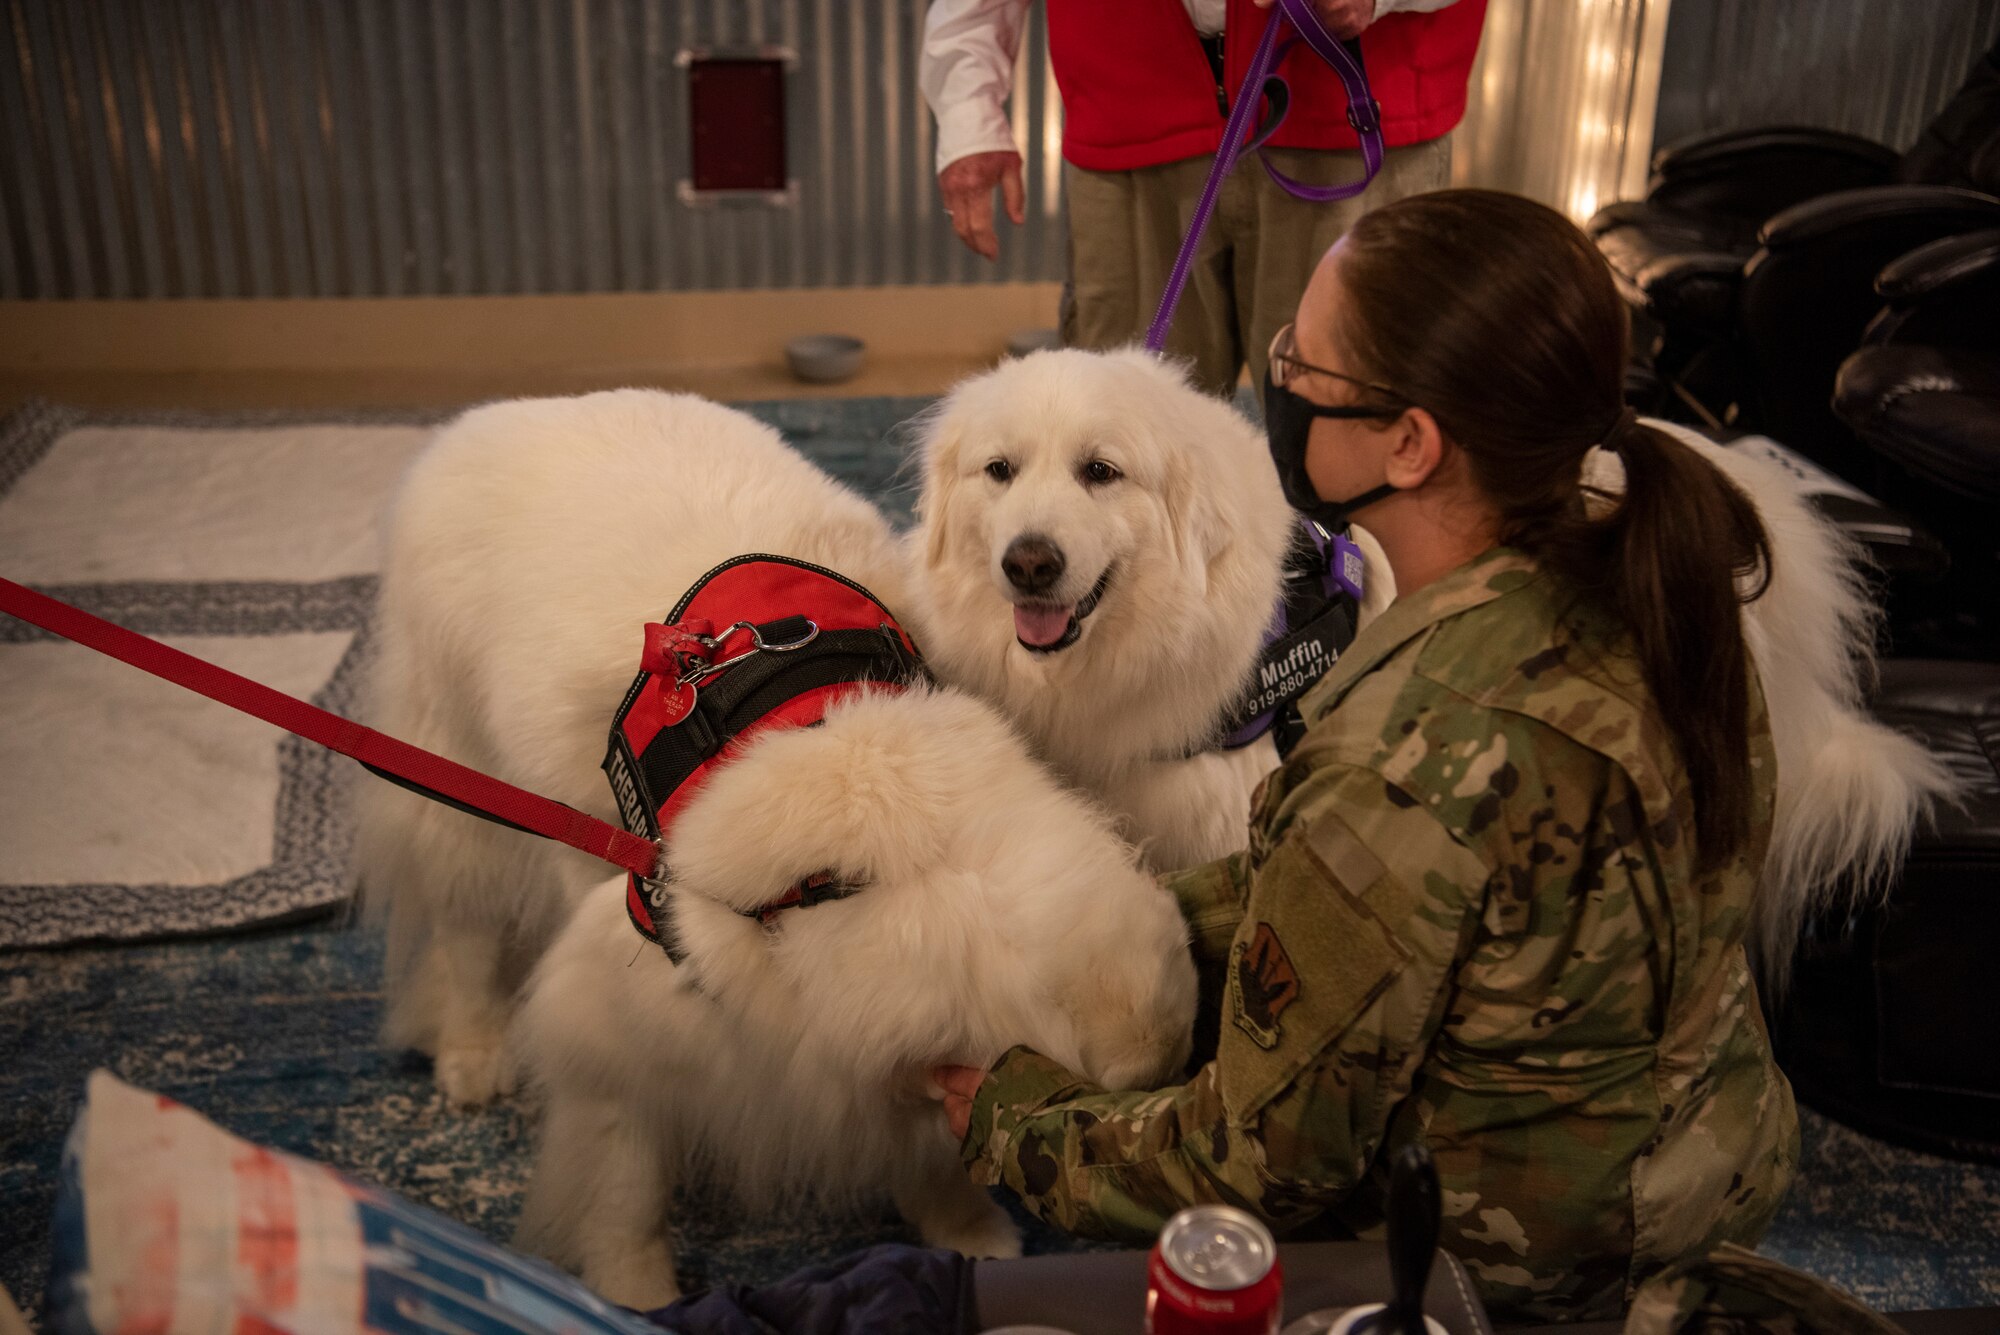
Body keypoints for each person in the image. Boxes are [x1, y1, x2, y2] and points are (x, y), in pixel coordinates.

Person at [934, 189, 1800, 1324]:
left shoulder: (1403, 755)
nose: (1272, 384)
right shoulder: (1650, 576)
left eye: (1302, 364)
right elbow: (1370, 895)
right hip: (1710, 1153)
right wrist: (1112, 920)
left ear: (1407, 442)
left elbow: (1244, 1166)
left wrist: (1009, 1116)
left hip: (1507, 1267)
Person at [919, 0, 1485, 398]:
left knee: (1359, 422)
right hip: (1130, 110)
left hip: (1352, 114)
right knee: (1118, 440)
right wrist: (969, 113)